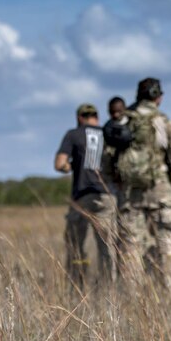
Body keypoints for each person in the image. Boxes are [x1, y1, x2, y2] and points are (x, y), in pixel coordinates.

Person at [116, 77, 171, 288]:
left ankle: (133, 301)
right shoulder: (163, 121)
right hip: (161, 192)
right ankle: (170, 295)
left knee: (130, 249)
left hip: (130, 195)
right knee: (168, 248)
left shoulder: (123, 121)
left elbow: (108, 160)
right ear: (158, 97)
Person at [55, 103, 117, 287]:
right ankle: (109, 288)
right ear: (96, 117)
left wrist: (72, 166)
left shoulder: (73, 134)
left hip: (81, 196)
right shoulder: (107, 133)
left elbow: (60, 164)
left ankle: (77, 286)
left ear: (79, 118)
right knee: (107, 247)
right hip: (106, 196)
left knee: (76, 245)